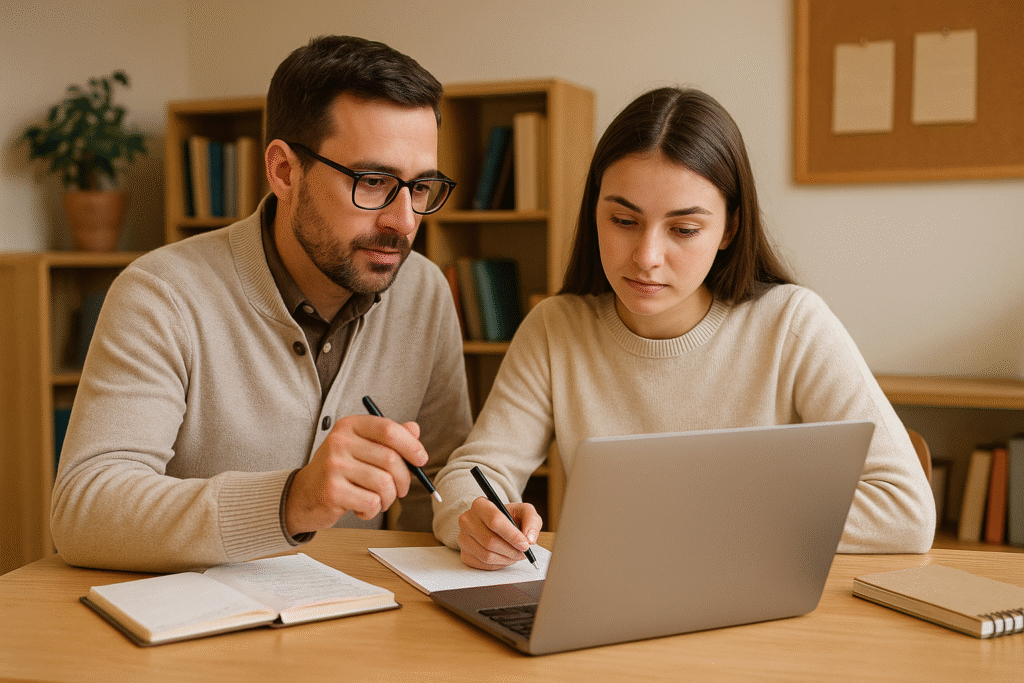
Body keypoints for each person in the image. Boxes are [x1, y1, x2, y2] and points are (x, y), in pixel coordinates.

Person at [432, 87, 935, 569]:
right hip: (611, 609)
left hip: (750, 614)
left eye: (684, 229)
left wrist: (704, 523)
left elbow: (905, 511)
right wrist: (474, 521)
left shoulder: (790, 323)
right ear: (595, 213)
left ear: (730, 229)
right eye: (623, 221)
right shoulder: (557, 329)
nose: (647, 257)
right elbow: (473, 475)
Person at [51, 35, 472, 572]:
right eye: (372, 182)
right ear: (284, 171)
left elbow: (431, 486)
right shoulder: (160, 294)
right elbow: (84, 511)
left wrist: (471, 522)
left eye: (420, 187)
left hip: (366, 629)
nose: (404, 222)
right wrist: (290, 500)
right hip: (197, 637)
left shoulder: (424, 291)